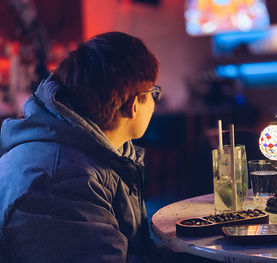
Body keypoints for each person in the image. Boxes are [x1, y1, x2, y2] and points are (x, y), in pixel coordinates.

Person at [0, 31, 161, 262]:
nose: (155, 103)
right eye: (153, 93)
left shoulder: (99, 154)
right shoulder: (66, 181)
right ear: (133, 105)